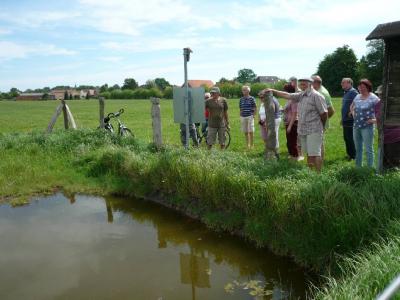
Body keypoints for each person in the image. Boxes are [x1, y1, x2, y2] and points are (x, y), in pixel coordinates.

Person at [263, 77, 327, 172]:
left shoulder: (316, 96)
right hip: (304, 130)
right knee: (309, 154)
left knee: (315, 153)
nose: (302, 85)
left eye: (304, 83)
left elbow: (324, 113)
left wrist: (322, 126)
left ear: (310, 84)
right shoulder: (301, 95)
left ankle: (318, 175)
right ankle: (311, 174)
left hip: (314, 129)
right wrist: (272, 90)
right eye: (301, 84)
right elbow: (287, 95)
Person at [350, 79, 380, 168]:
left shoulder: (374, 98)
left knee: (368, 149)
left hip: (367, 127)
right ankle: (358, 167)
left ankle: (369, 168)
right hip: (356, 126)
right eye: (359, 87)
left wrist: (374, 120)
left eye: (363, 87)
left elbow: (381, 111)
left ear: (368, 87)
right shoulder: (357, 96)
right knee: (358, 149)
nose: (361, 89)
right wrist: (353, 113)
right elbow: (351, 106)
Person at [374, 85, 400, 169]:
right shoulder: (378, 105)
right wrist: (380, 133)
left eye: (382, 94)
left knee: (394, 158)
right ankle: (386, 175)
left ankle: (393, 176)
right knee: (385, 158)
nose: (380, 96)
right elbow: (378, 120)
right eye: (379, 94)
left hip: (396, 135)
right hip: (384, 136)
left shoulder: (395, 104)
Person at [258, 91, 281, 159]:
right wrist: (261, 121)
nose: (261, 99)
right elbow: (260, 113)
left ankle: (275, 152)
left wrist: (266, 121)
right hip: (265, 121)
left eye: (262, 97)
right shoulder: (264, 102)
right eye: (260, 97)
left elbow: (272, 112)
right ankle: (269, 149)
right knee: (266, 136)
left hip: (272, 121)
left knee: (273, 136)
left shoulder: (271, 100)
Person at [341, 78, 358, 160]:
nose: (341, 84)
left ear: (349, 83)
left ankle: (353, 156)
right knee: (346, 138)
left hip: (350, 120)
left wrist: (352, 111)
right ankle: (349, 154)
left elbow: (358, 103)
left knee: (350, 138)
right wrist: (342, 118)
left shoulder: (353, 92)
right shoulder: (346, 92)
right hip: (345, 119)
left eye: (343, 83)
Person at [282, 84, 300, 160]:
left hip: (293, 123)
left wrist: (290, 126)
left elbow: (294, 114)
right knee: (289, 141)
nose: (283, 92)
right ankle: (291, 155)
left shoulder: (293, 100)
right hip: (288, 122)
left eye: (284, 91)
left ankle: (296, 157)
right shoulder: (289, 100)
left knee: (292, 141)